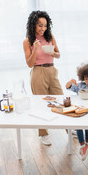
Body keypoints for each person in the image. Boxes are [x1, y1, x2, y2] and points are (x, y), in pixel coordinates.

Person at [23, 10, 63, 146]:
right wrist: (35, 49)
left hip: (52, 70)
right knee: (40, 104)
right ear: (33, 24)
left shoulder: (50, 36)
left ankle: (71, 129)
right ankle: (43, 134)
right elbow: (29, 64)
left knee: (61, 100)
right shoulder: (27, 41)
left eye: (45, 25)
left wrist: (54, 53)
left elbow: (58, 54)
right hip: (38, 72)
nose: (43, 28)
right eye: (40, 25)